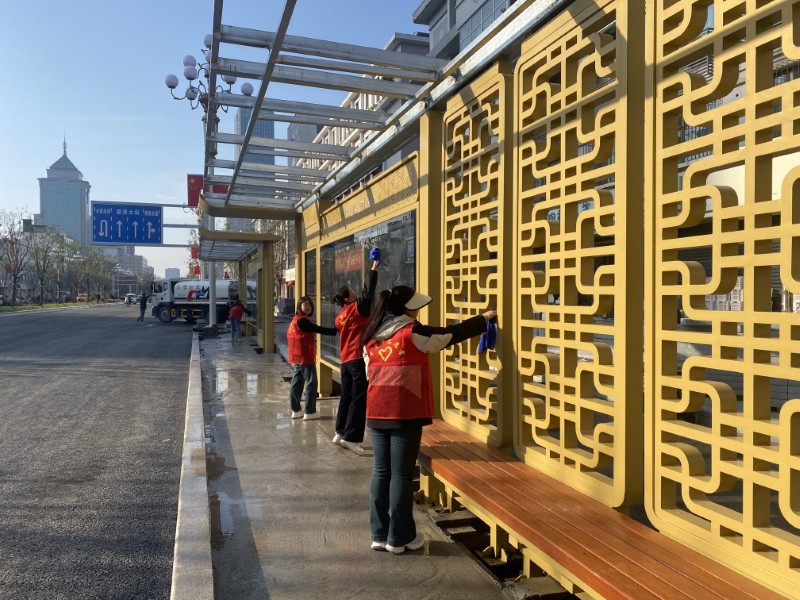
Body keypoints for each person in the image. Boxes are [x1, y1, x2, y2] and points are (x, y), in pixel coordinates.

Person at [363, 285, 497, 554]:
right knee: (401, 475)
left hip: (376, 411)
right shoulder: (412, 332)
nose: (418, 310)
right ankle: (399, 538)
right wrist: (482, 320)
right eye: (415, 305)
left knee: (381, 472)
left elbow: (369, 374)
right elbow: (450, 334)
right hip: (405, 412)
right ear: (408, 308)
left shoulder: (372, 336)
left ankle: (379, 534)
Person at [331, 250, 380, 455]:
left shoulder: (340, 317)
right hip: (358, 358)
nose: (356, 293)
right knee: (358, 398)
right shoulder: (356, 310)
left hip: (345, 360)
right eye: (353, 291)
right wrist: (373, 268)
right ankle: (351, 438)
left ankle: (340, 432)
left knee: (346, 397)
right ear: (348, 298)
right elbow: (368, 292)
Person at [287, 295, 337, 420]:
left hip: (296, 357)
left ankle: (296, 410)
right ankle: (310, 411)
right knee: (311, 383)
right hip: (305, 357)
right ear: (299, 306)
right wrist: (335, 330)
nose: (308, 307)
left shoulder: (295, 320)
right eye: (305, 304)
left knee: (297, 382)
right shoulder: (302, 321)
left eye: (309, 304)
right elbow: (317, 329)